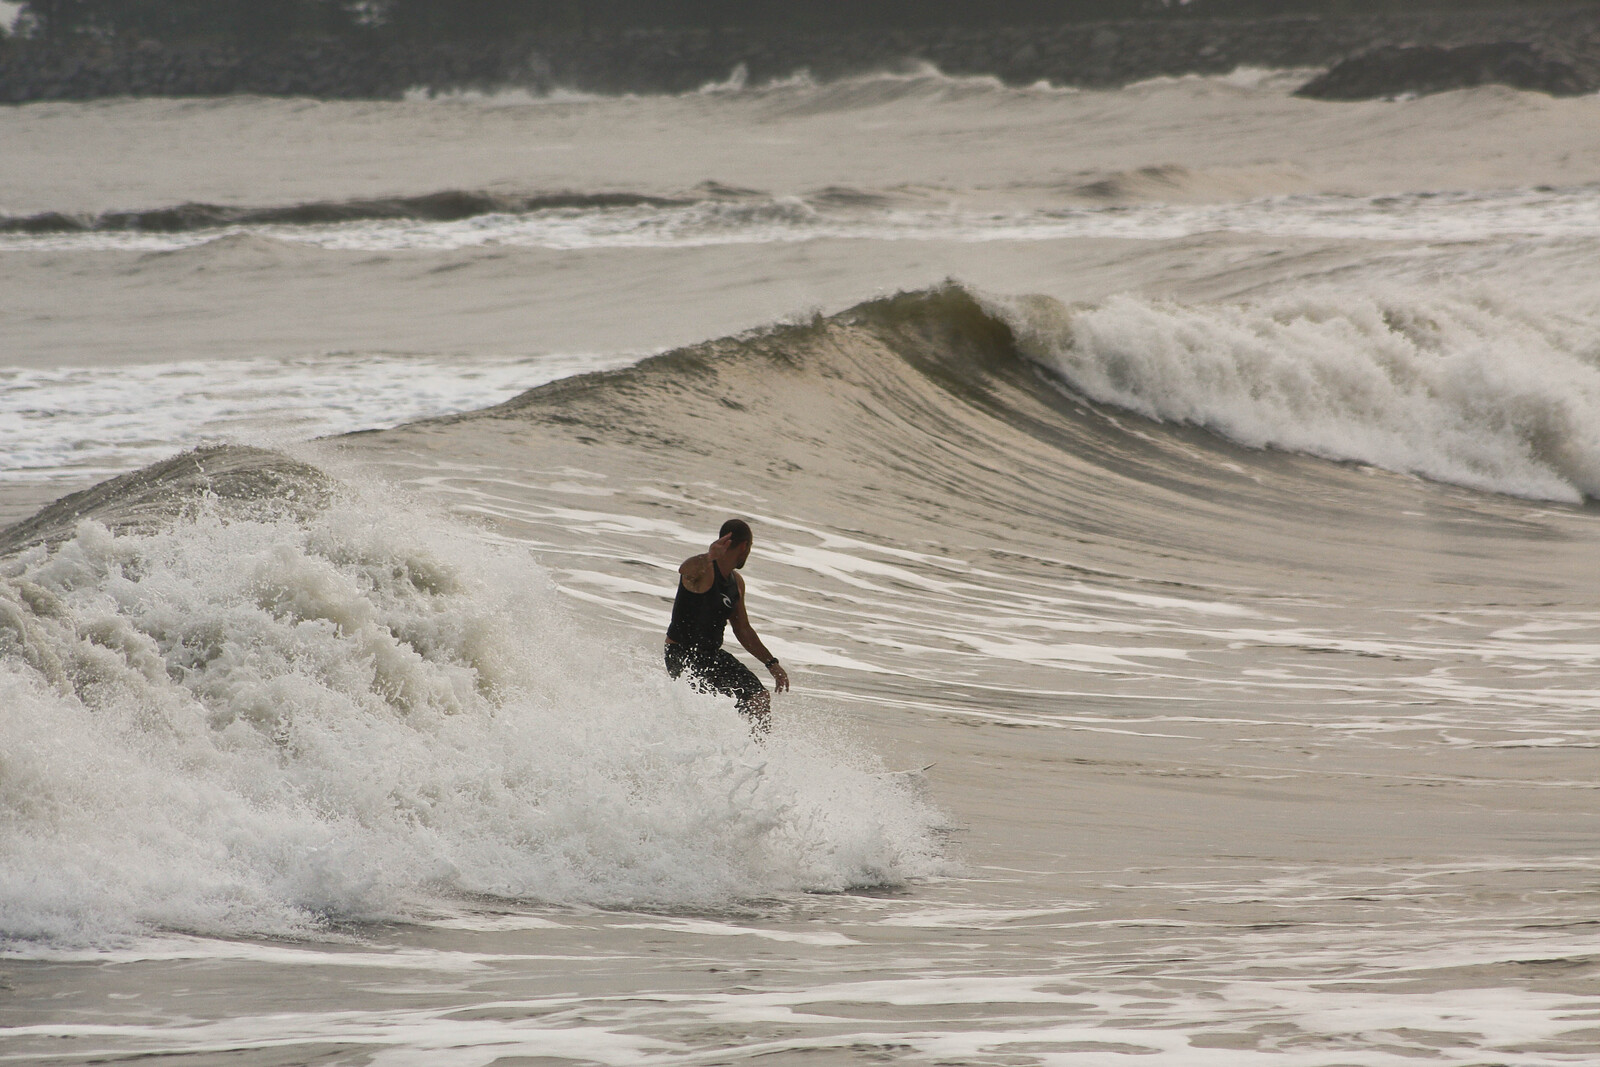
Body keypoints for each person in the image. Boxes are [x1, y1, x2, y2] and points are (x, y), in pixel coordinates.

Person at [665, 518, 789, 731]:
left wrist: (771, 663)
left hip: (711, 656)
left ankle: (754, 755)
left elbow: (743, 629)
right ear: (744, 546)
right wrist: (709, 556)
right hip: (681, 654)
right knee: (705, 708)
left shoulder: (736, 583)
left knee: (758, 698)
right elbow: (684, 570)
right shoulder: (703, 570)